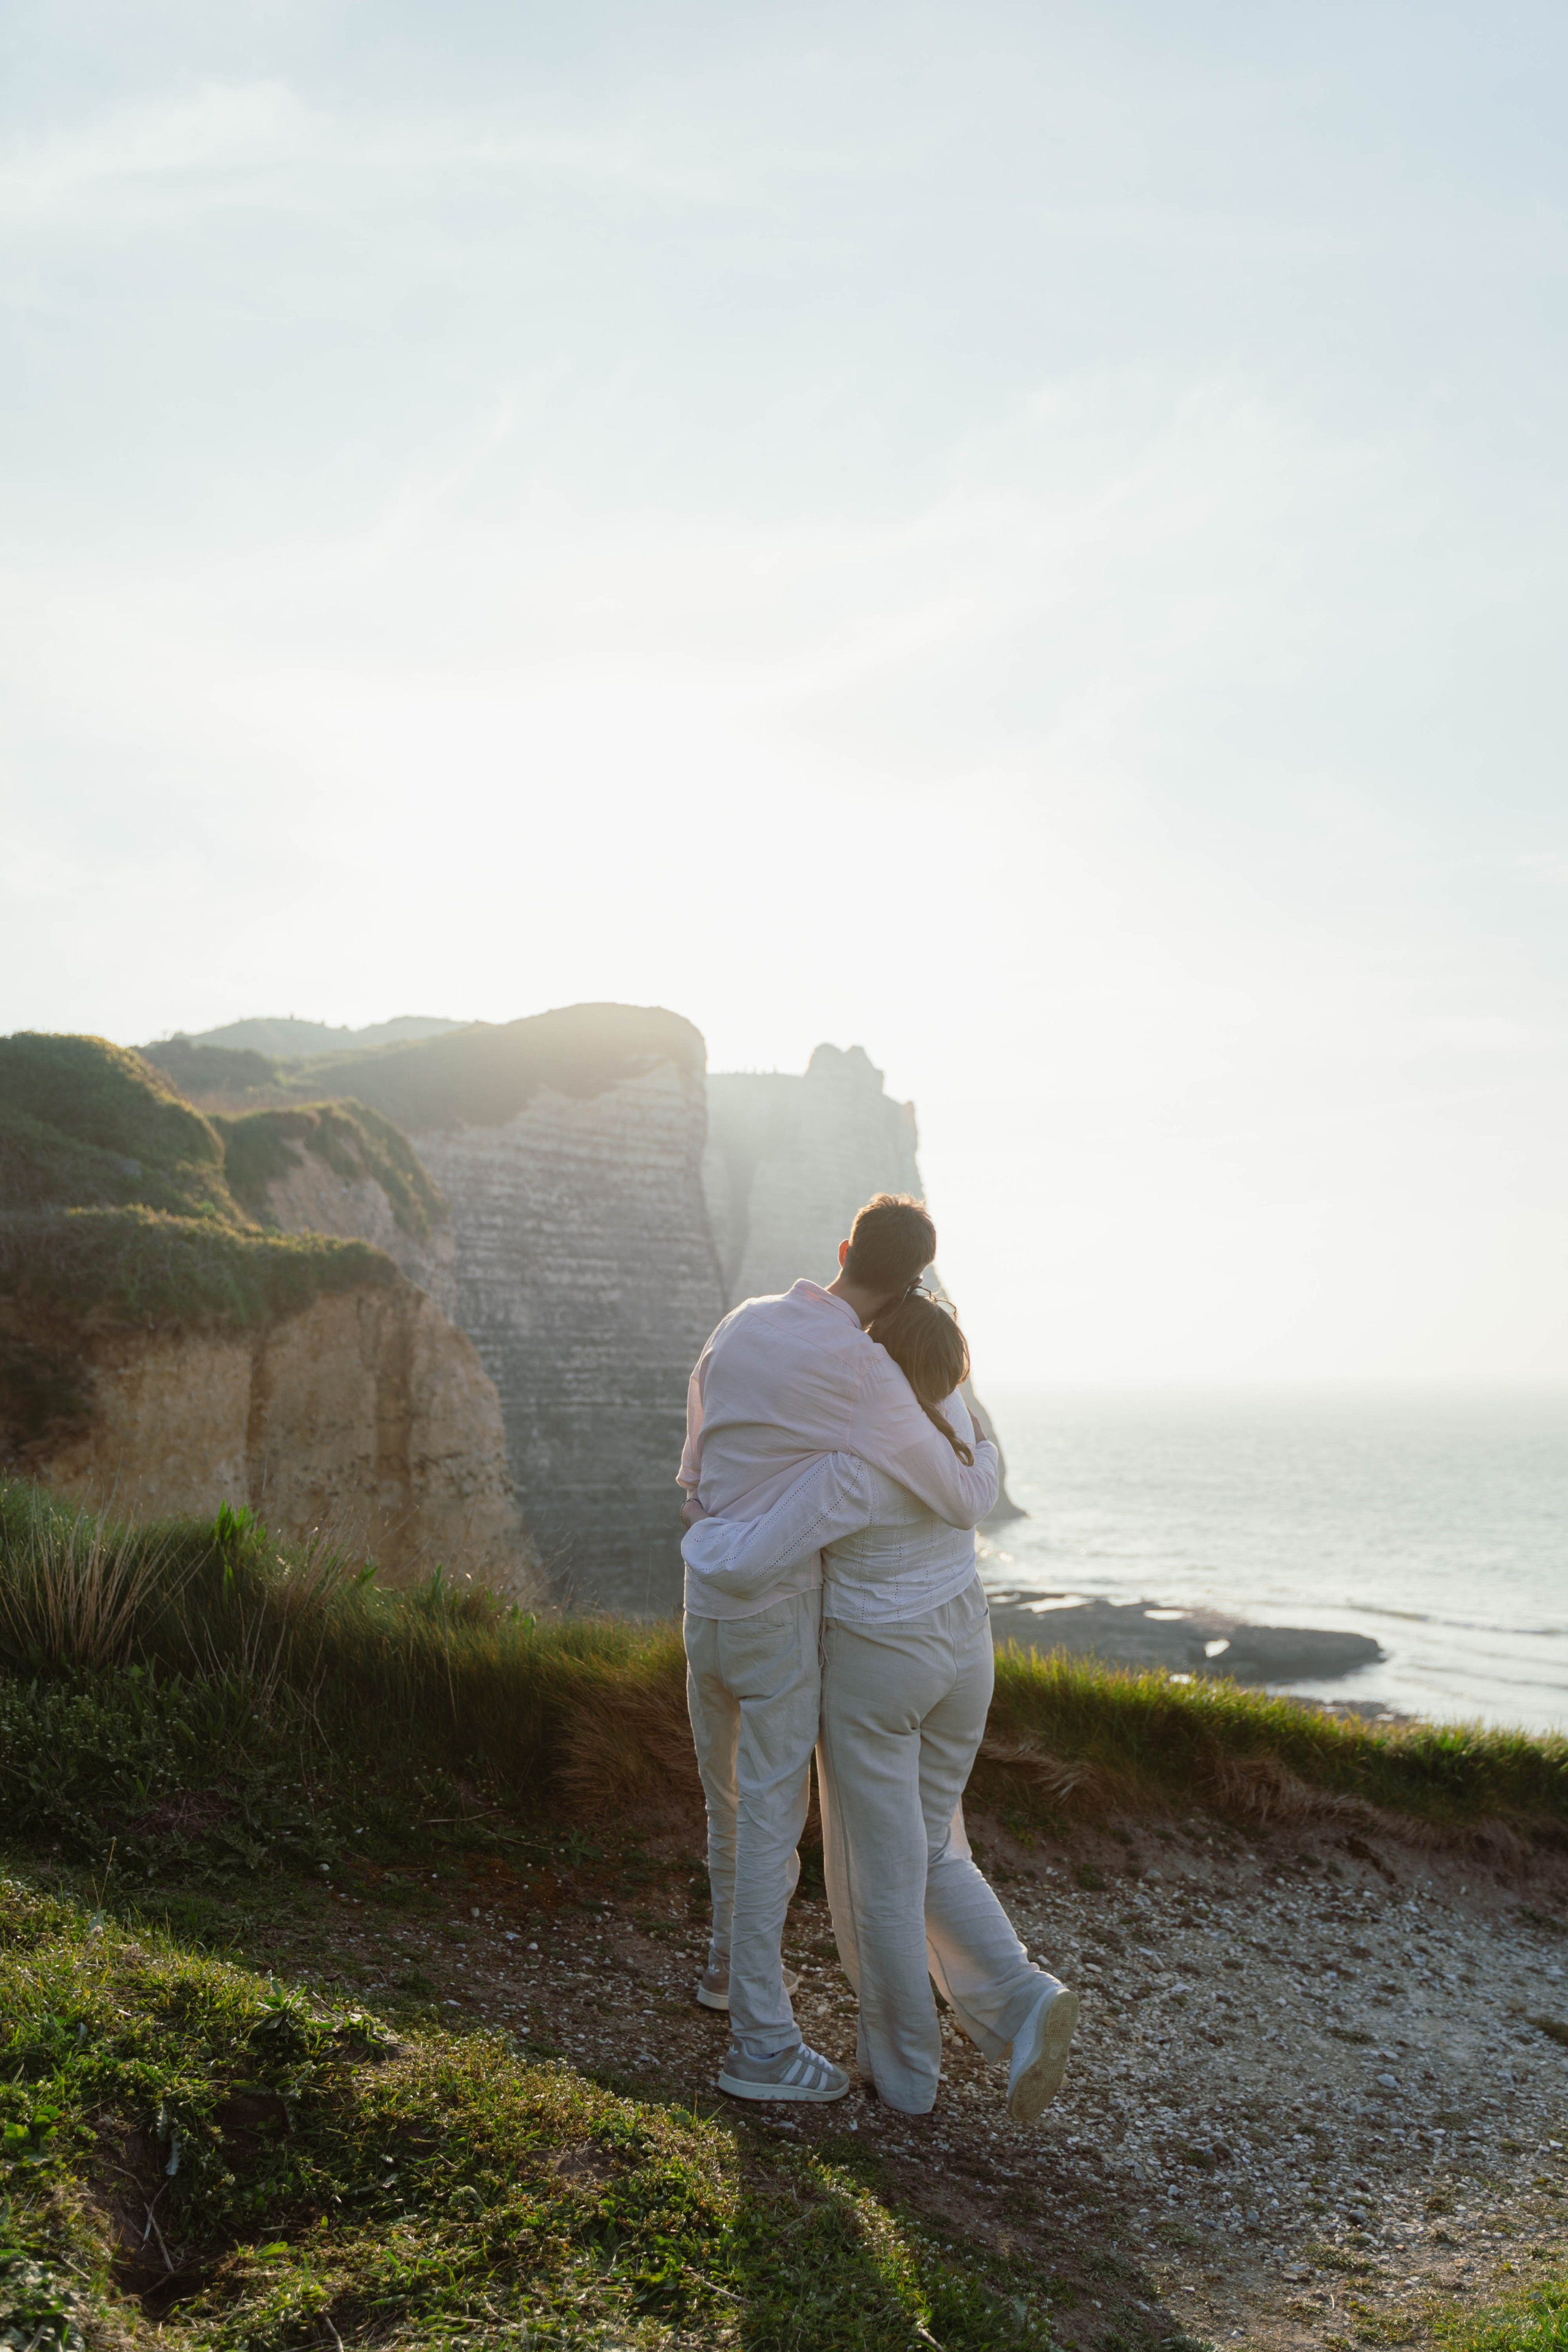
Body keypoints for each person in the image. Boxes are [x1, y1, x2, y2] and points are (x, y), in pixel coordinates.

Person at [684, 1286, 1079, 2120]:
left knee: (880, 1875)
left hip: (881, 1671)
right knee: (929, 1847)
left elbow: (756, 1555)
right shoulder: (966, 1429)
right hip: (967, 1654)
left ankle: (906, 2075)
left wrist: (702, 1529)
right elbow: (983, 1483)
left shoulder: (853, 1466)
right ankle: (1019, 1999)